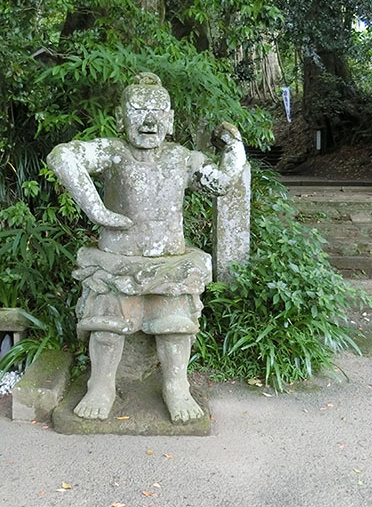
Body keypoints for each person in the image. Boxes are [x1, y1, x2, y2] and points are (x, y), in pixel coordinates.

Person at [46, 72, 246, 423]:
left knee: (175, 324)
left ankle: (176, 385)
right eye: (138, 110)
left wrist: (233, 146)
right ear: (122, 117)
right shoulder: (113, 152)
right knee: (106, 323)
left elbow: (222, 181)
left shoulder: (181, 158)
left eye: (158, 112)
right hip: (116, 258)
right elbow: (62, 156)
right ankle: (102, 384)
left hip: (169, 258)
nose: (149, 121)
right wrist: (96, 209)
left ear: (170, 119)